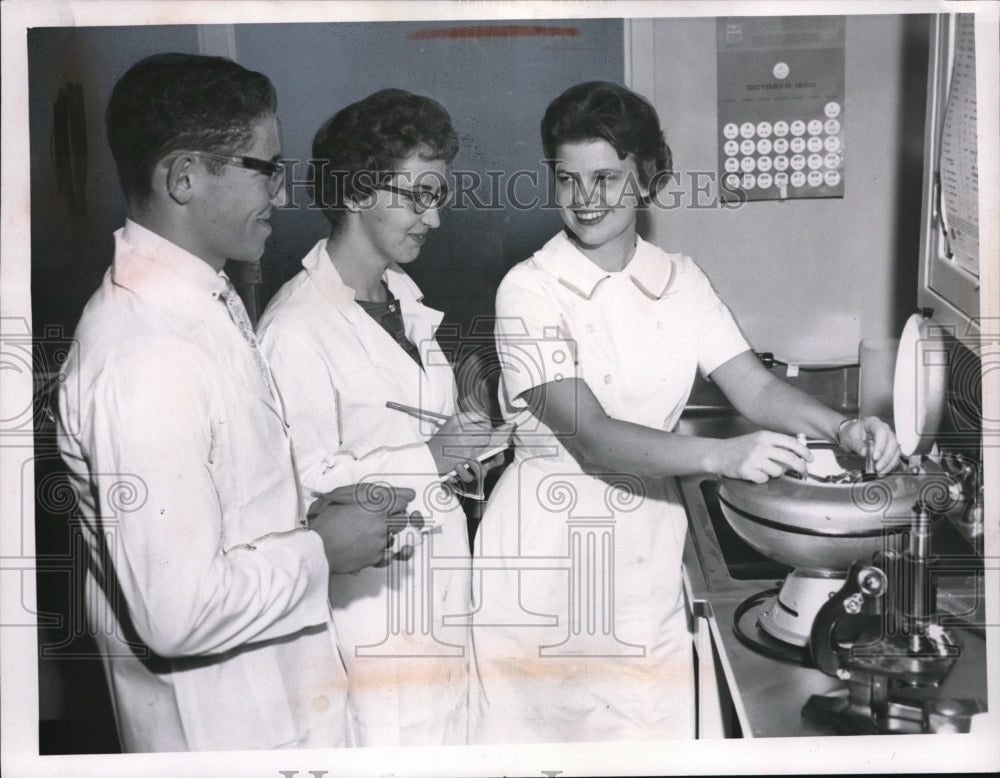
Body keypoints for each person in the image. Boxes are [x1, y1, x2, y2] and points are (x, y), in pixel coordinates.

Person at [471, 81, 902, 744]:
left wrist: (841, 428)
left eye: (608, 178)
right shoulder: (529, 291)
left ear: (646, 178)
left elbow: (754, 389)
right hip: (546, 565)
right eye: (568, 179)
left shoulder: (679, 279)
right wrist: (723, 455)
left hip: (644, 559)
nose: (587, 200)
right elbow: (594, 440)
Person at [55, 53, 416, 753]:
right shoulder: (144, 353)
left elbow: (221, 509)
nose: (281, 194)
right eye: (264, 168)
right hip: (225, 738)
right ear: (184, 177)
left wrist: (304, 517)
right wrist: (321, 549)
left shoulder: (203, 303)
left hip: (282, 715)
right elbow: (176, 613)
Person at [257, 89, 508, 747]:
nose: (436, 217)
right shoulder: (295, 329)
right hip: (372, 621)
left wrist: (480, 448)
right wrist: (434, 457)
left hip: (441, 601)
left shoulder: (400, 300)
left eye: (439, 196)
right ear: (359, 190)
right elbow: (305, 491)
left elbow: (417, 441)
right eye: (418, 195)